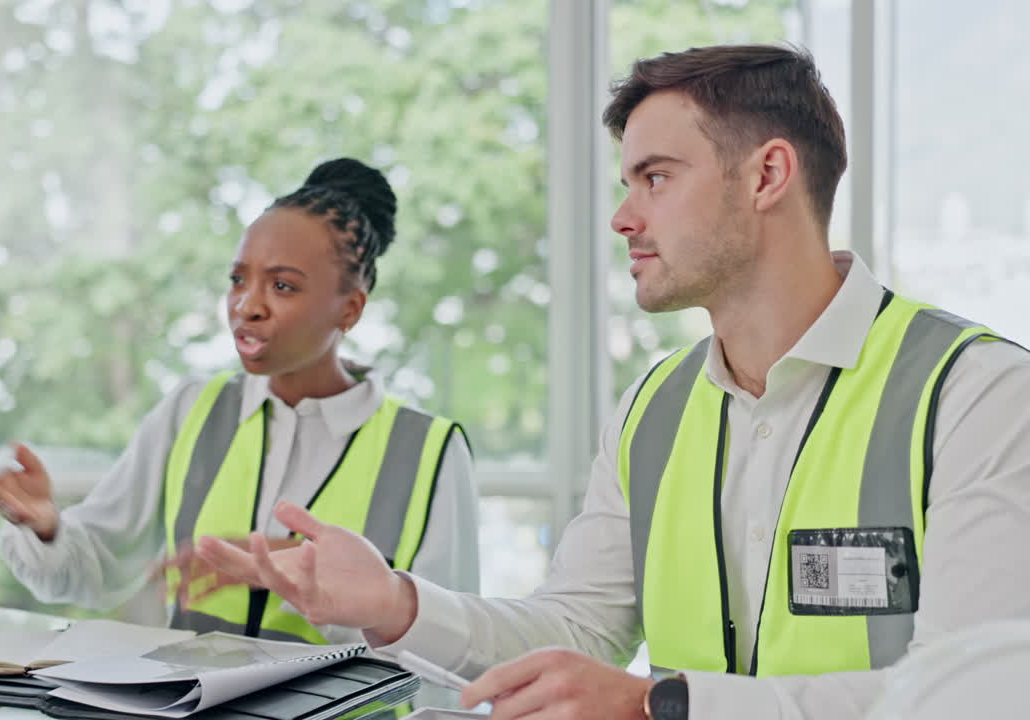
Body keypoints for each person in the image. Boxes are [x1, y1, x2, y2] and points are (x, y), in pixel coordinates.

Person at [193, 44, 1030, 720]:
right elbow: (577, 631)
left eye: (656, 178)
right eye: (626, 183)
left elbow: (969, 698)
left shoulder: (978, 395)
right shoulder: (652, 410)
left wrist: (661, 706)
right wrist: (399, 603)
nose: (623, 217)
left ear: (768, 176)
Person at [0, 158, 480, 643]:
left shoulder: (430, 451)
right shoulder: (194, 409)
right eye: (238, 280)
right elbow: (95, 569)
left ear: (349, 309)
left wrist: (315, 578)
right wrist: (46, 526)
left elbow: (451, 650)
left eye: (282, 285)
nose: (246, 306)